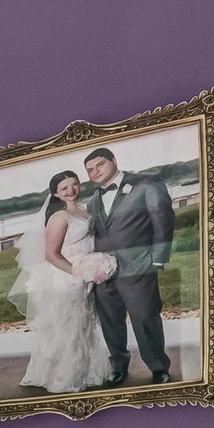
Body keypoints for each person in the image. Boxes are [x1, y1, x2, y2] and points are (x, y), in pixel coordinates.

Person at [84, 145, 179, 384]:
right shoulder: (92, 201)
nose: (95, 172)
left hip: (138, 267)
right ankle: (118, 367)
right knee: (110, 322)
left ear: (114, 160)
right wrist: (92, 267)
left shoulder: (146, 184)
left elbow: (163, 221)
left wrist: (157, 259)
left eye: (100, 164)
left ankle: (158, 367)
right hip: (103, 274)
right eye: (90, 170)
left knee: (145, 318)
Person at [13, 170, 111, 395]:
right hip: (66, 278)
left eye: (74, 184)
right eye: (64, 188)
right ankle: (64, 377)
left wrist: (95, 267)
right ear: (56, 194)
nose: (71, 190)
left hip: (85, 277)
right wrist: (79, 272)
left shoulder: (85, 211)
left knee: (83, 324)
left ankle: (87, 373)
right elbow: (51, 254)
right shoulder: (59, 218)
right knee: (68, 326)